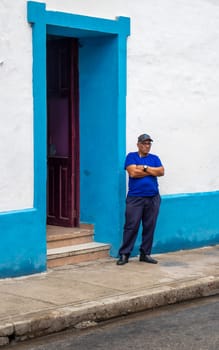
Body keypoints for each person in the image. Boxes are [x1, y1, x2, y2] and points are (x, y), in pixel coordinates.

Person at [117, 133, 164, 265]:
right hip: (135, 198)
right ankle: (125, 254)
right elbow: (132, 172)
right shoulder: (131, 156)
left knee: (150, 226)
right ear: (138, 144)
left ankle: (145, 253)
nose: (147, 146)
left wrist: (143, 167)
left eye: (149, 143)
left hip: (153, 198)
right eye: (144, 143)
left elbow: (161, 172)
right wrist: (151, 171)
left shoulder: (155, 158)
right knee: (131, 226)